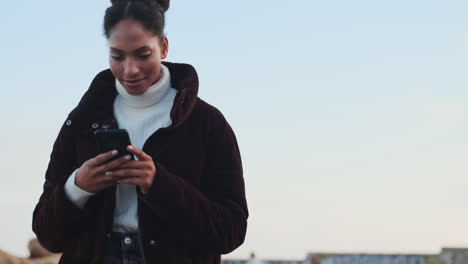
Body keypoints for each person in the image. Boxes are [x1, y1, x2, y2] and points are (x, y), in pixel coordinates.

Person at [31, 0, 248, 263]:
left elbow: (231, 232)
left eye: (142, 54)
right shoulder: (82, 120)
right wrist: (78, 187)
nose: (130, 69)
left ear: (164, 47)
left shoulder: (207, 123)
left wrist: (158, 184)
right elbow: (48, 235)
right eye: (117, 56)